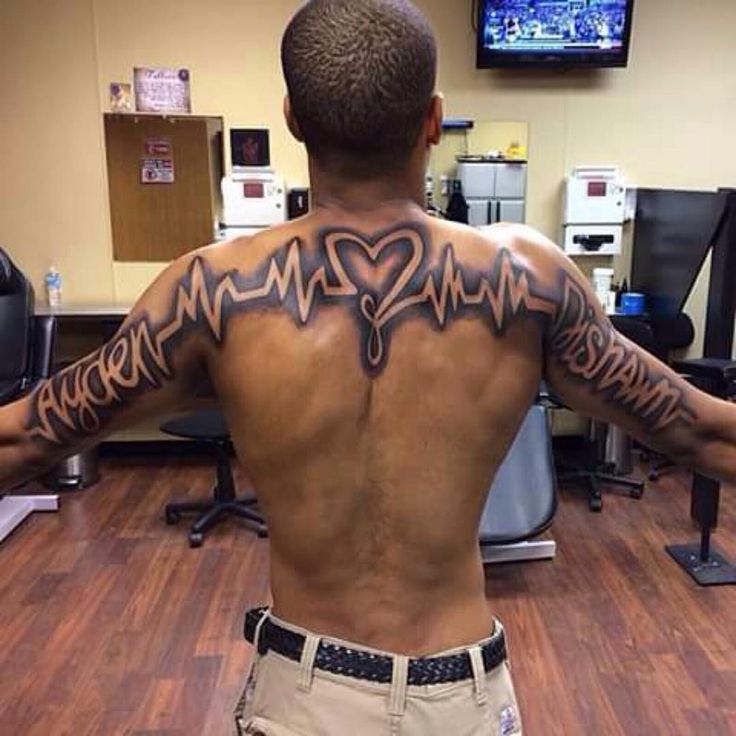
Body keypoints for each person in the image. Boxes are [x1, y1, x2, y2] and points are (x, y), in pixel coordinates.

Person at [1, 1, 734, 734]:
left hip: (304, 697)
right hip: (461, 699)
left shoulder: (209, 292)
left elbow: (27, 438)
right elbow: (703, 434)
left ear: (291, 118)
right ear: (433, 119)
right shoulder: (528, 280)